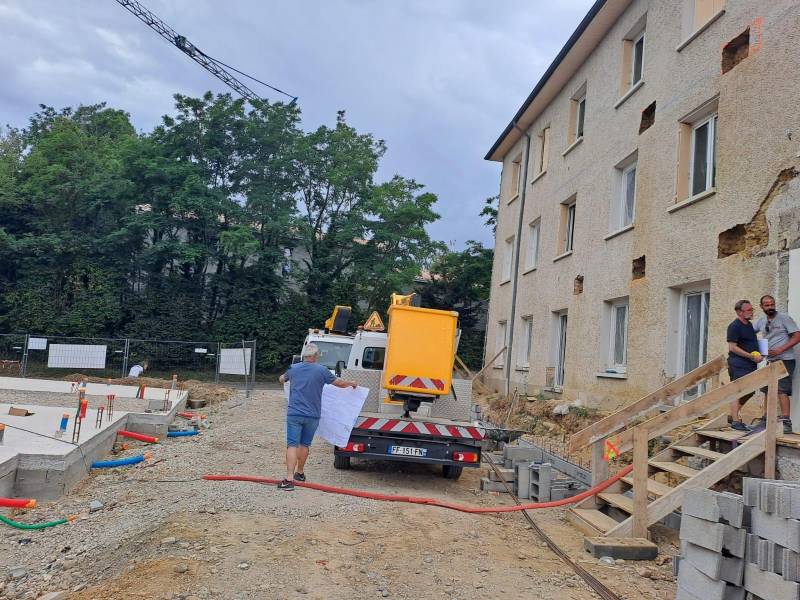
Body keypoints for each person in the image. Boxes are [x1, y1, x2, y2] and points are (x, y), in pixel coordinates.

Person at [277, 343, 357, 491]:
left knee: (292, 445)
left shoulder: (293, 369)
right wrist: (351, 383)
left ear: (304, 356)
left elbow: (282, 379)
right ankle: (299, 473)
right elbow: (339, 383)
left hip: (294, 414)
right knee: (305, 444)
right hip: (313, 416)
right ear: (315, 356)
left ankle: (288, 479)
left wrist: (287, 377)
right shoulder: (322, 370)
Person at [755, 295, 800, 434]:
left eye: (772, 304)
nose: (770, 307)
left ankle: (786, 422)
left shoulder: (784, 318)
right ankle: (765, 419)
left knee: (782, 390)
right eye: (767, 305)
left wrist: (781, 349)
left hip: (785, 359)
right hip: (770, 360)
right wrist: (762, 354)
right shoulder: (761, 321)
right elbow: (757, 336)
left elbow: (797, 336)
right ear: (761, 307)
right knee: (766, 389)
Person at [727, 300, 763, 431]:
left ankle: (733, 415)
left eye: (752, 309)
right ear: (739, 312)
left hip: (750, 364)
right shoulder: (734, 326)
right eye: (748, 310)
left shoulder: (749, 326)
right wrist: (750, 356)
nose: (751, 312)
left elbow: (750, 344)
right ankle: (736, 421)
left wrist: (760, 354)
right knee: (738, 390)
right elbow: (732, 347)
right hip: (738, 363)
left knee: (750, 390)